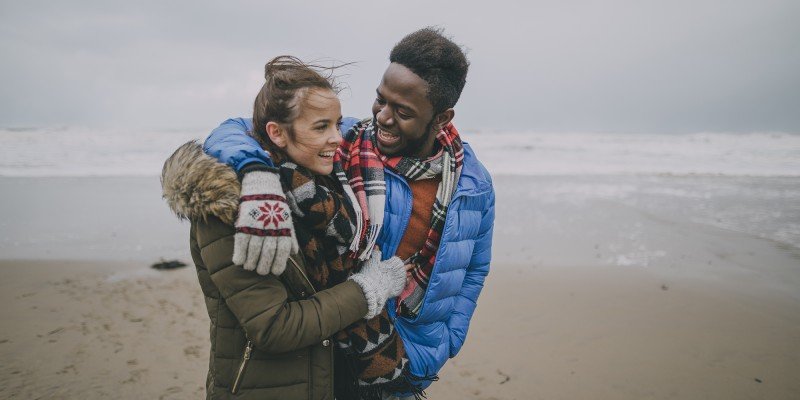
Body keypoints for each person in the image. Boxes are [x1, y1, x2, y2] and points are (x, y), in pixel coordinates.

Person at [202, 27, 496, 398]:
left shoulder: (473, 184)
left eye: (402, 111)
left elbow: (474, 268)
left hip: (409, 362)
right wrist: (256, 174)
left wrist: (448, 340)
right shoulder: (344, 141)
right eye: (381, 100)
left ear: (441, 117)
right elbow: (233, 131)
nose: (383, 118)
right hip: (334, 353)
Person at [161, 56, 408, 400]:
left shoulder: (332, 189)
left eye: (336, 124)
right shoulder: (234, 208)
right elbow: (274, 327)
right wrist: (368, 290)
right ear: (276, 132)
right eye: (321, 127)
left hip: (328, 381)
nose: (337, 138)